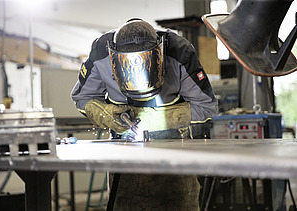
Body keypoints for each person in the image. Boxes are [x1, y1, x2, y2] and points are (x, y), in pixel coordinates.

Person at [71, 18, 218, 210]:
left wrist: (157, 118)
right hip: (123, 154)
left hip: (174, 154)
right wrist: (106, 114)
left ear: (160, 56)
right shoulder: (101, 53)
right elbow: (82, 98)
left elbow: (207, 106)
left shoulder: (179, 52)